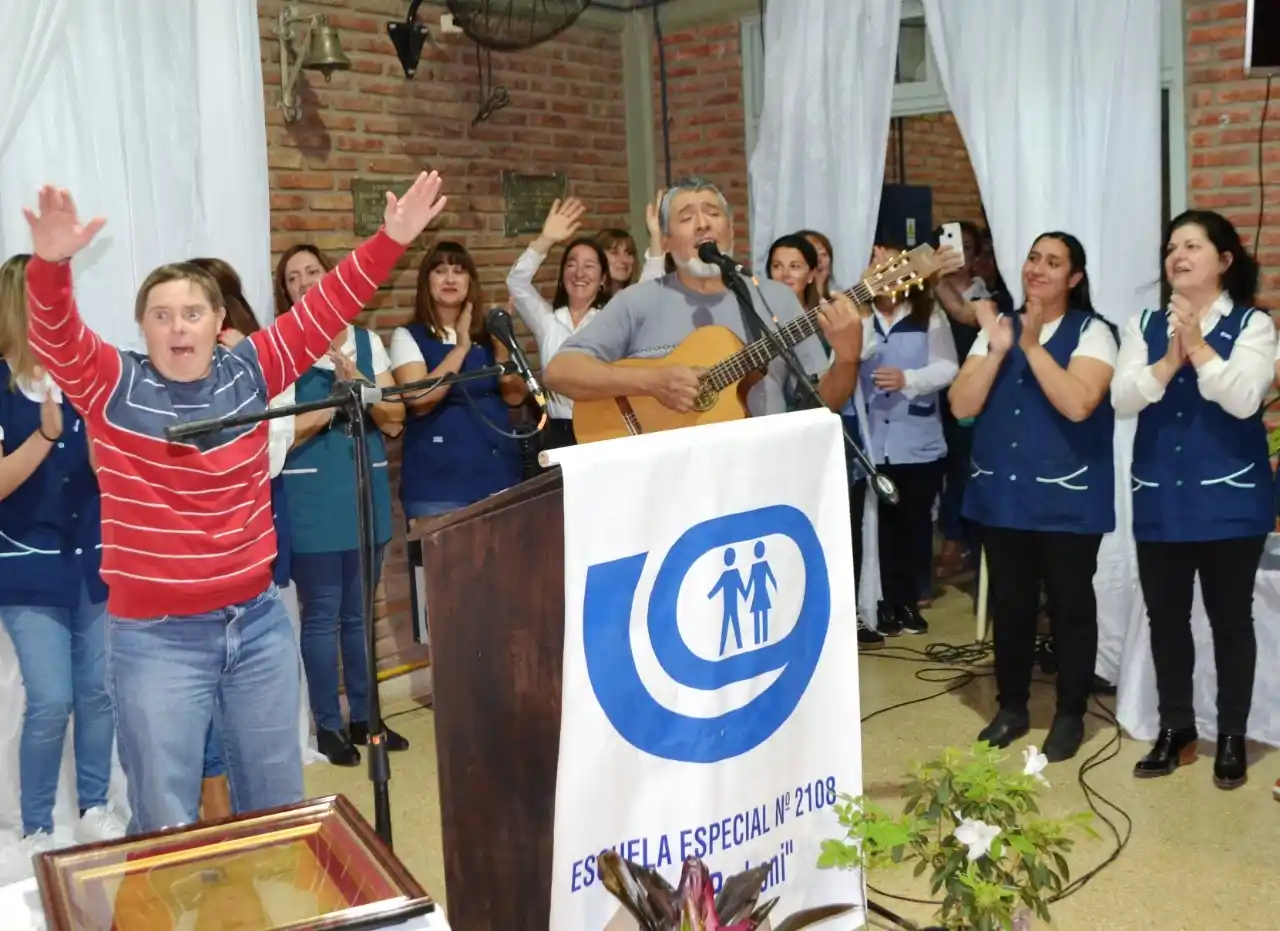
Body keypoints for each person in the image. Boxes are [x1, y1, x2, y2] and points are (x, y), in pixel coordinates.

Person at [21, 172, 447, 832]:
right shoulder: (114, 384)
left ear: (220, 322)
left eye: (192, 312)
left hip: (257, 624)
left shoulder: (251, 370)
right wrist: (49, 267)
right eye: (161, 315)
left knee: (277, 809)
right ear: (142, 327)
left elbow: (325, 306)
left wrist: (390, 239)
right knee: (166, 817)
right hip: (156, 638)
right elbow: (55, 335)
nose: (178, 326)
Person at [1113, 210, 1275, 790]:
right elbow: (1123, 398)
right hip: (1160, 498)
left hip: (1231, 501)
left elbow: (1244, 399)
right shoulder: (1143, 324)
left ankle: (1231, 733)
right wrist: (1167, 361)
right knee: (1166, 619)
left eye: (1191, 246)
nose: (1177, 256)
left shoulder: (1254, 325)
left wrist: (1200, 348)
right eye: (1171, 247)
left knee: (1231, 620)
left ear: (1224, 261)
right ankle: (1176, 728)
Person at [949, 232, 1117, 763]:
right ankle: (1012, 706)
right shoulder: (996, 329)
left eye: (1053, 262)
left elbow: (1078, 403)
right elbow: (961, 405)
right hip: (1002, 495)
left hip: (1069, 498)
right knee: (1011, 604)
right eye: (1033, 258)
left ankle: (1070, 714)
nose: (1038, 269)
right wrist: (999, 349)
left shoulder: (1094, 332)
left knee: (1070, 606)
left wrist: (1031, 346)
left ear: (1074, 278)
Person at [543, 176, 863, 423]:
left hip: (762, 471)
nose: (703, 223)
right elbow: (560, 371)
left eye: (713, 213)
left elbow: (823, 404)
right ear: (666, 241)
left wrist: (847, 359)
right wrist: (652, 381)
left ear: (731, 230)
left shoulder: (776, 298)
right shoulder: (639, 300)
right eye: (686, 218)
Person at [0, 254, 123, 855]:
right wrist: (46, 435)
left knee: (98, 691)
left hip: (93, 560)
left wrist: (103, 447)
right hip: (27, 565)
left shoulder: (86, 378)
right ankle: (37, 825)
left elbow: (110, 471)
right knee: (51, 698)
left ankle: (94, 806)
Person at [273, 245, 410, 767]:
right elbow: (279, 434)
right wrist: (334, 402)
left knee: (360, 616)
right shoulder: (282, 348)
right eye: (293, 277)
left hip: (364, 491)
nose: (305, 282)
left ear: (332, 277)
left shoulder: (367, 341)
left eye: (312, 271)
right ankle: (327, 725)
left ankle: (366, 719)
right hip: (312, 500)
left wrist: (362, 386)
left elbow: (395, 418)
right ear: (285, 292)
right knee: (322, 617)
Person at [861, 242, 959, 636]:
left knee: (914, 526)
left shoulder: (927, 314)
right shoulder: (859, 314)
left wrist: (909, 379)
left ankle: (908, 601)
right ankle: (880, 603)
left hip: (917, 442)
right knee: (878, 530)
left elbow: (948, 367)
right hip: (871, 442)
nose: (886, 275)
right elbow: (854, 354)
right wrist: (862, 308)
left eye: (892, 267)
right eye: (877, 267)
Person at [507, 199, 612, 449]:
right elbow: (516, 282)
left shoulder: (613, 319)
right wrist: (546, 239)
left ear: (603, 279)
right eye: (571, 264)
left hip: (605, 429)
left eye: (589, 266)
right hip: (560, 433)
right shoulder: (548, 321)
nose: (579, 273)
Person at [931, 222, 991, 579]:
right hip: (928, 393)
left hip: (969, 394)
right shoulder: (921, 295)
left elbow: (964, 314)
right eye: (950, 245)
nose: (958, 252)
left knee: (962, 466)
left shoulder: (989, 297)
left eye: (966, 247)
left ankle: (957, 541)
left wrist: (937, 279)